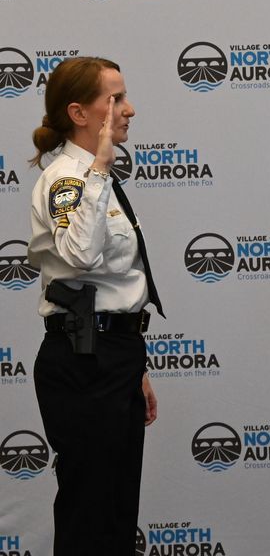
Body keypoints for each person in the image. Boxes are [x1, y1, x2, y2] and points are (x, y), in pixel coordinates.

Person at [28, 57, 163, 556]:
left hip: (113, 354)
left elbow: (116, 285)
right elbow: (80, 257)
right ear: (79, 113)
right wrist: (100, 167)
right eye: (115, 99)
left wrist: (136, 365)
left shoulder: (93, 176)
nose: (129, 109)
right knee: (91, 514)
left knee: (116, 512)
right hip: (84, 362)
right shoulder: (68, 179)